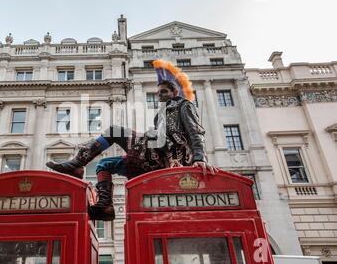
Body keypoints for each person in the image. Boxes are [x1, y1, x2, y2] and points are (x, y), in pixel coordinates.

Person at [46, 60, 217, 221]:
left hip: (167, 159)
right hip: (153, 159)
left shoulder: (183, 105)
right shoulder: (160, 115)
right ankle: (105, 206)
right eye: (158, 93)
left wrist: (199, 157)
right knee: (103, 165)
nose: (160, 96)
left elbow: (195, 131)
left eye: (164, 92)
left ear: (175, 92)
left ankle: (77, 164)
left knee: (114, 131)